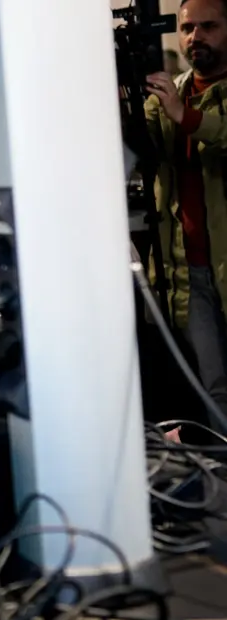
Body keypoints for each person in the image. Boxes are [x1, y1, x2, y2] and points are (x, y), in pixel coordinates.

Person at [145, 0, 227, 428]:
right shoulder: (169, 94)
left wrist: (184, 114)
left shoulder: (179, 102)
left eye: (208, 26)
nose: (196, 37)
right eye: (187, 28)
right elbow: (139, 148)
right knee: (214, 386)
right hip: (188, 271)